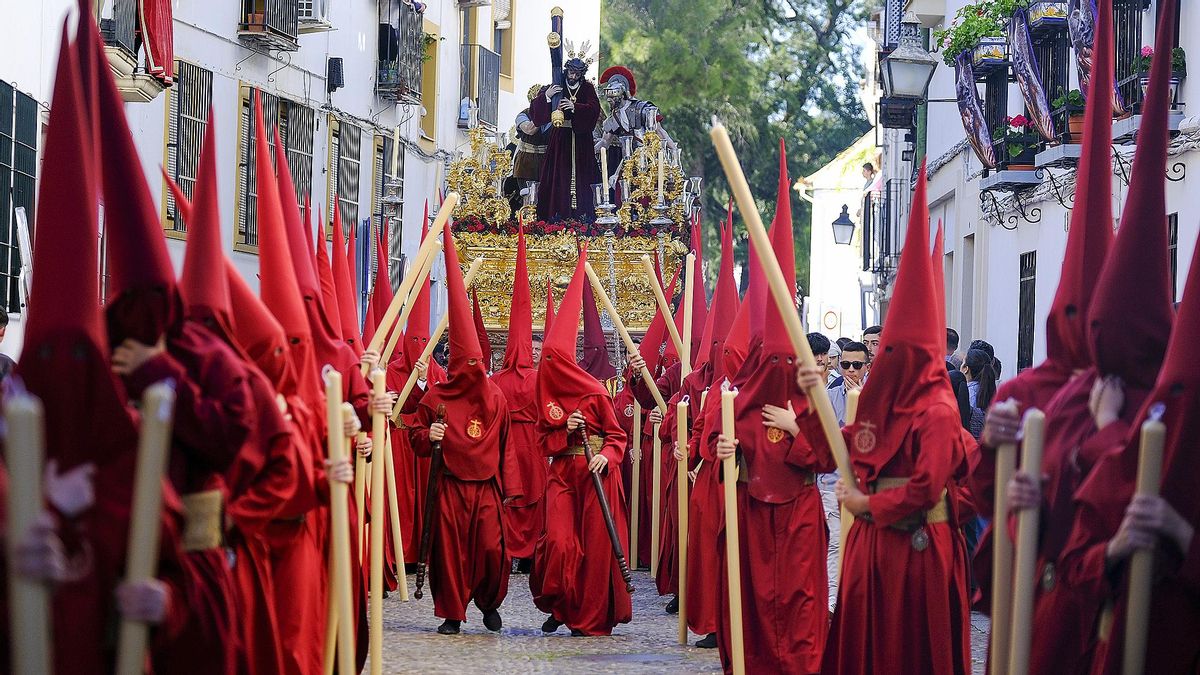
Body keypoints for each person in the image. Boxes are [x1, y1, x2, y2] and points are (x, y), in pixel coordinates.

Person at [821, 165, 972, 675]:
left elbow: (928, 485)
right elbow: (851, 443)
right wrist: (805, 417)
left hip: (919, 551)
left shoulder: (938, 410)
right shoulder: (884, 404)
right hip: (876, 547)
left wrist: (868, 503)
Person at [406, 225, 516, 635]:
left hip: (485, 486)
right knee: (449, 552)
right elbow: (415, 434)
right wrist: (427, 437)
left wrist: (509, 489)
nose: (471, 374)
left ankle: (488, 601)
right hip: (450, 485)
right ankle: (452, 612)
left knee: (491, 548)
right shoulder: (435, 397)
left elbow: (506, 446)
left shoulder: (496, 398)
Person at [531, 249, 632, 636]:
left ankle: (583, 615)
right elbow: (543, 439)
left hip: (594, 477)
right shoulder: (547, 392)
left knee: (592, 549)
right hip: (563, 473)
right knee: (559, 542)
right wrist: (563, 431)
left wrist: (606, 455)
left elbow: (617, 435)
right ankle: (559, 601)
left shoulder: (594, 392)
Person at [529, 54, 601, 222]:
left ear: (581, 74)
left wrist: (575, 107)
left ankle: (582, 218)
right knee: (557, 177)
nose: (572, 76)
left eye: (576, 74)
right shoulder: (556, 84)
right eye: (570, 72)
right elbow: (536, 112)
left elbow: (594, 109)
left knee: (582, 178)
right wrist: (547, 96)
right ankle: (554, 217)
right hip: (559, 140)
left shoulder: (587, 88)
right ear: (566, 70)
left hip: (581, 140)